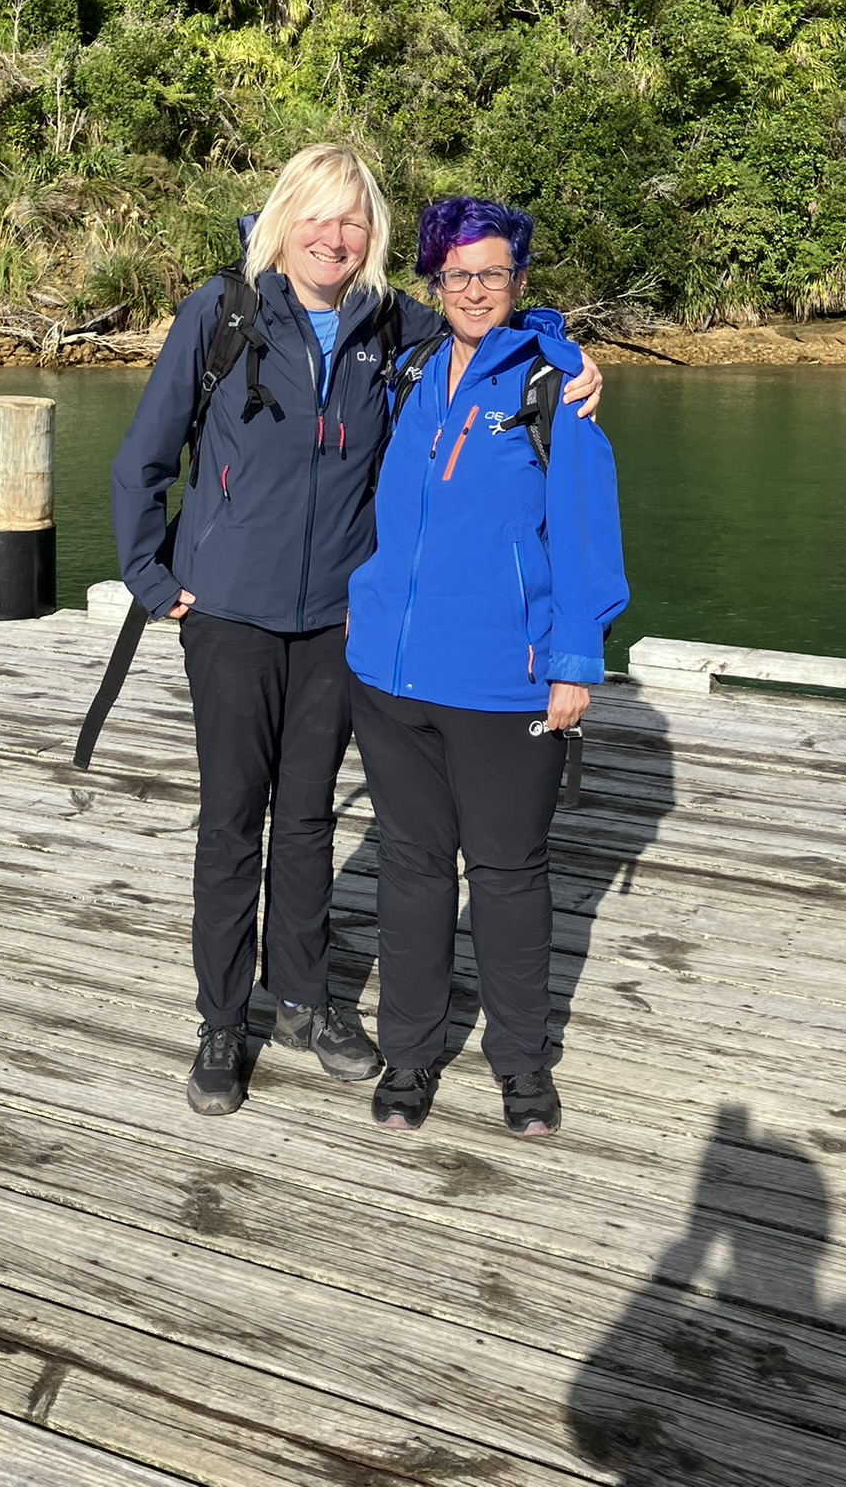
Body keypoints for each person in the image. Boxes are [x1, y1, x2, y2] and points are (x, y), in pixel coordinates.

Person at [110, 146, 603, 1115]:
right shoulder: (223, 313)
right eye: (317, 216)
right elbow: (145, 456)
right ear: (281, 219)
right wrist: (151, 578)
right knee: (231, 821)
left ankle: (304, 997)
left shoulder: (392, 323)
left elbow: (487, 314)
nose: (333, 237)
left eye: (353, 220)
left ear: (373, 236)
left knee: (306, 819)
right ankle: (223, 1020)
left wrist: (566, 348)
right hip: (228, 613)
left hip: (339, 620)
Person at [345, 196, 628, 1138]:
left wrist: (576, 661)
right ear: (434, 283)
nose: (474, 290)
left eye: (493, 274)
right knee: (412, 873)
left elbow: (586, 535)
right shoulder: (410, 369)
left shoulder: (553, 383)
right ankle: (409, 1054)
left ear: (519, 281)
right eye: (458, 274)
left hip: (507, 682)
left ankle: (521, 1065)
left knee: (507, 877)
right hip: (390, 678)